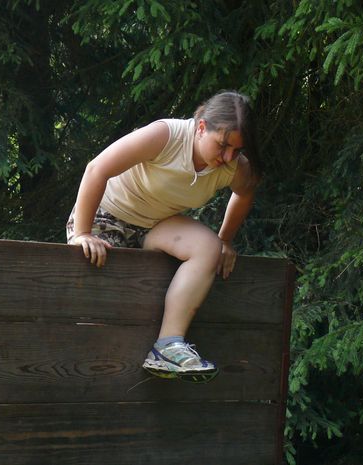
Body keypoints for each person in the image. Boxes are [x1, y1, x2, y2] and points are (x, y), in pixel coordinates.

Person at [66, 91, 261, 383]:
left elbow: (245, 193)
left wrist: (225, 240)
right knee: (103, 308)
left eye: (237, 149)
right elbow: (97, 168)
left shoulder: (234, 167)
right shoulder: (166, 135)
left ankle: (168, 347)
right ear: (201, 127)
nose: (228, 157)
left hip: (155, 225)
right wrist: (82, 233)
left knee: (208, 248)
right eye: (223, 146)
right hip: (106, 218)